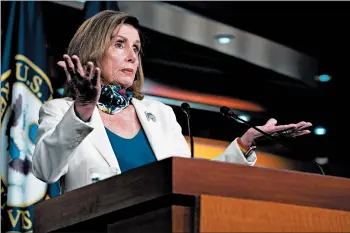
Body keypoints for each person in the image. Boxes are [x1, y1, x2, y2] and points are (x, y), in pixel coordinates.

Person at [32, 10, 312, 193]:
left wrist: (244, 143)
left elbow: (190, 181)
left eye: (136, 48)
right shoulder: (60, 111)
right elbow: (45, 170)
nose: (132, 56)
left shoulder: (160, 114)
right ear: (93, 49)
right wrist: (82, 108)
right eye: (120, 44)